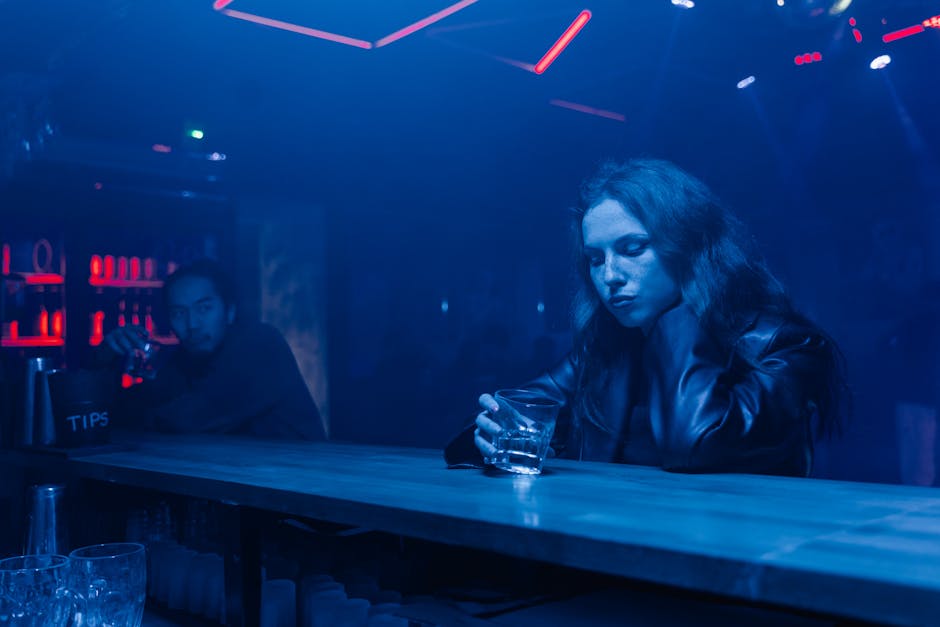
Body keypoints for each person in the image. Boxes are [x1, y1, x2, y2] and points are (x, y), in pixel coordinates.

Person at [445, 159, 847, 476]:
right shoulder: (605, 352)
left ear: (686, 247)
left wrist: (681, 310)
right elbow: (484, 428)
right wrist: (489, 436)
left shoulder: (786, 346)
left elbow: (696, 443)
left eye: (633, 248)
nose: (610, 276)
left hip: (731, 568)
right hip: (609, 557)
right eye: (595, 259)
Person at [101, 258, 324, 440]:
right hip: (247, 481)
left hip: (303, 483)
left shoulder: (259, 344)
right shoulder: (187, 357)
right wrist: (109, 354)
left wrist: (136, 415)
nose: (192, 324)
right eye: (179, 312)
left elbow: (187, 419)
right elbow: (127, 406)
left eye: (204, 308)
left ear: (229, 312)